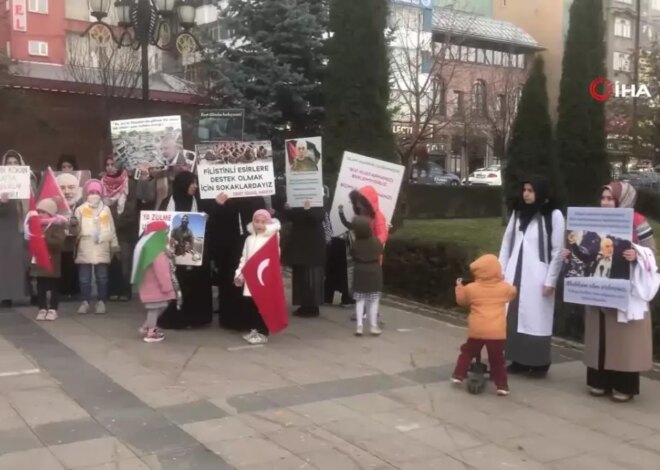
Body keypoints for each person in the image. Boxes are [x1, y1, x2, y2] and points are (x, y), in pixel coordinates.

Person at [566, 182, 656, 402]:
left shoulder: (638, 222)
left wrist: (637, 256)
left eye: (610, 199)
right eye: (603, 198)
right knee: (600, 336)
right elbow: (587, 250)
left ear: (622, 200)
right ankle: (599, 380)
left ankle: (623, 385)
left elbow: (652, 253)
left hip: (626, 290)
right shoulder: (591, 220)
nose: (605, 202)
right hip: (599, 288)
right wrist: (572, 253)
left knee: (623, 340)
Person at [499, 177, 564, 378]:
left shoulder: (552, 215)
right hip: (515, 271)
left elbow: (558, 250)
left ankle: (538, 363)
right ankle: (517, 359)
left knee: (534, 318)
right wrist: (500, 270)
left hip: (538, 275)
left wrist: (550, 280)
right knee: (514, 316)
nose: (526, 194)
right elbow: (507, 242)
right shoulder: (518, 212)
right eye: (524, 189)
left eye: (531, 190)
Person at [451, 254, 518, 396]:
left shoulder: (471, 288)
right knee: (497, 358)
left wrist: (459, 288)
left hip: (477, 329)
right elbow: (513, 293)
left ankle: (458, 375)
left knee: (468, 352)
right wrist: (503, 282)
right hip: (496, 331)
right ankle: (501, 385)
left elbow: (462, 301)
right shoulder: (503, 288)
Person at [157, 172, 213, 330]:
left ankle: (197, 317)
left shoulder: (199, 202)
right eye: (191, 183)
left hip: (195, 252)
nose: (194, 186)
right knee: (178, 284)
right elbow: (160, 223)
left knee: (197, 283)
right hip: (173, 254)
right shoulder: (168, 202)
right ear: (182, 184)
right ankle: (177, 316)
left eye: (195, 183)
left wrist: (206, 219)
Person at [210, 193, 266, 330]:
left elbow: (263, 218)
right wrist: (218, 205)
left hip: (251, 245)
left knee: (249, 283)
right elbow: (214, 221)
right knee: (230, 280)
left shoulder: (255, 197)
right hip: (228, 248)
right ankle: (231, 318)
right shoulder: (223, 198)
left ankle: (251, 319)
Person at [234, 209, 281, 344]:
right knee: (251, 306)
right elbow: (244, 258)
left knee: (262, 306)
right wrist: (239, 274)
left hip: (263, 279)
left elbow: (274, 256)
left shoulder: (272, 238)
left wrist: (271, 229)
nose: (259, 224)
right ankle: (253, 330)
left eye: (263, 222)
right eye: (256, 221)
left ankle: (263, 332)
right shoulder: (249, 239)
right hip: (250, 279)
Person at [73, 179, 119, 315]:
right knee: (84, 278)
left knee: (102, 277)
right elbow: (75, 230)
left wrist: (115, 245)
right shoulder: (80, 209)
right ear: (86, 193)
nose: (94, 195)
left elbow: (112, 228)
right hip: (85, 246)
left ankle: (101, 302)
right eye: (91, 192)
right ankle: (85, 302)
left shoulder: (106, 209)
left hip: (102, 246)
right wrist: (73, 225)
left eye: (97, 192)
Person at [133, 221, 181, 343]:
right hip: (157, 287)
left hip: (148, 286)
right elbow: (162, 271)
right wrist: (167, 287)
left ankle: (147, 326)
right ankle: (151, 332)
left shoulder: (148, 248)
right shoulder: (157, 252)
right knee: (155, 309)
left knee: (155, 308)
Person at [102, 156, 138, 301]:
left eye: (113, 165)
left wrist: (115, 225)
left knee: (124, 260)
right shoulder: (102, 183)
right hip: (106, 229)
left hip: (124, 229)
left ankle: (125, 290)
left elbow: (131, 208)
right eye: (107, 164)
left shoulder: (129, 183)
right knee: (110, 261)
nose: (110, 167)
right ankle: (112, 290)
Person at [282, 200, 326, 318]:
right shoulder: (297, 201)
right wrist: (288, 209)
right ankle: (304, 304)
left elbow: (317, 218)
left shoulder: (317, 202)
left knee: (312, 274)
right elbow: (292, 218)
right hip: (299, 241)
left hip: (312, 243)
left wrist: (308, 209)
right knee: (301, 273)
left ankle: (312, 306)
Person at [0, 150, 33, 307]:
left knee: (29, 261)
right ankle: (7, 295)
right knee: (9, 262)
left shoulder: (29, 179)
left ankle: (32, 292)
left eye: (15, 163)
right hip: (8, 226)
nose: (12, 166)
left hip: (27, 224)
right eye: (9, 163)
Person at [30, 198, 67, 321]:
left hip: (53, 261)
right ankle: (42, 308)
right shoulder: (34, 225)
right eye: (39, 211)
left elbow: (59, 242)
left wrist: (44, 239)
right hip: (39, 261)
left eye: (43, 212)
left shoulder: (56, 226)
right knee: (40, 286)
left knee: (54, 286)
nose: (40, 214)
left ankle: (53, 308)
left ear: (50, 213)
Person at [349, 216, 383, 336]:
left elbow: (352, 256)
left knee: (360, 301)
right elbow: (380, 251)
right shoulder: (376, 241)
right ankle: (373, 326)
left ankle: (359, 326)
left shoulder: (355, 244)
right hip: (374, 272)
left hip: (360, 272)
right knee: (373, 301)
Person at [56, 155, 81, 298]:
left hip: (74, 229)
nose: (66, 169)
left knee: (74, 260)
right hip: (60, 230)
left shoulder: (80, 186)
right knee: (63, 260)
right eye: (63, 167)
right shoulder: (56, 184)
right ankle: (63, 290)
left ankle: (75, 290)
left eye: (69, 167)